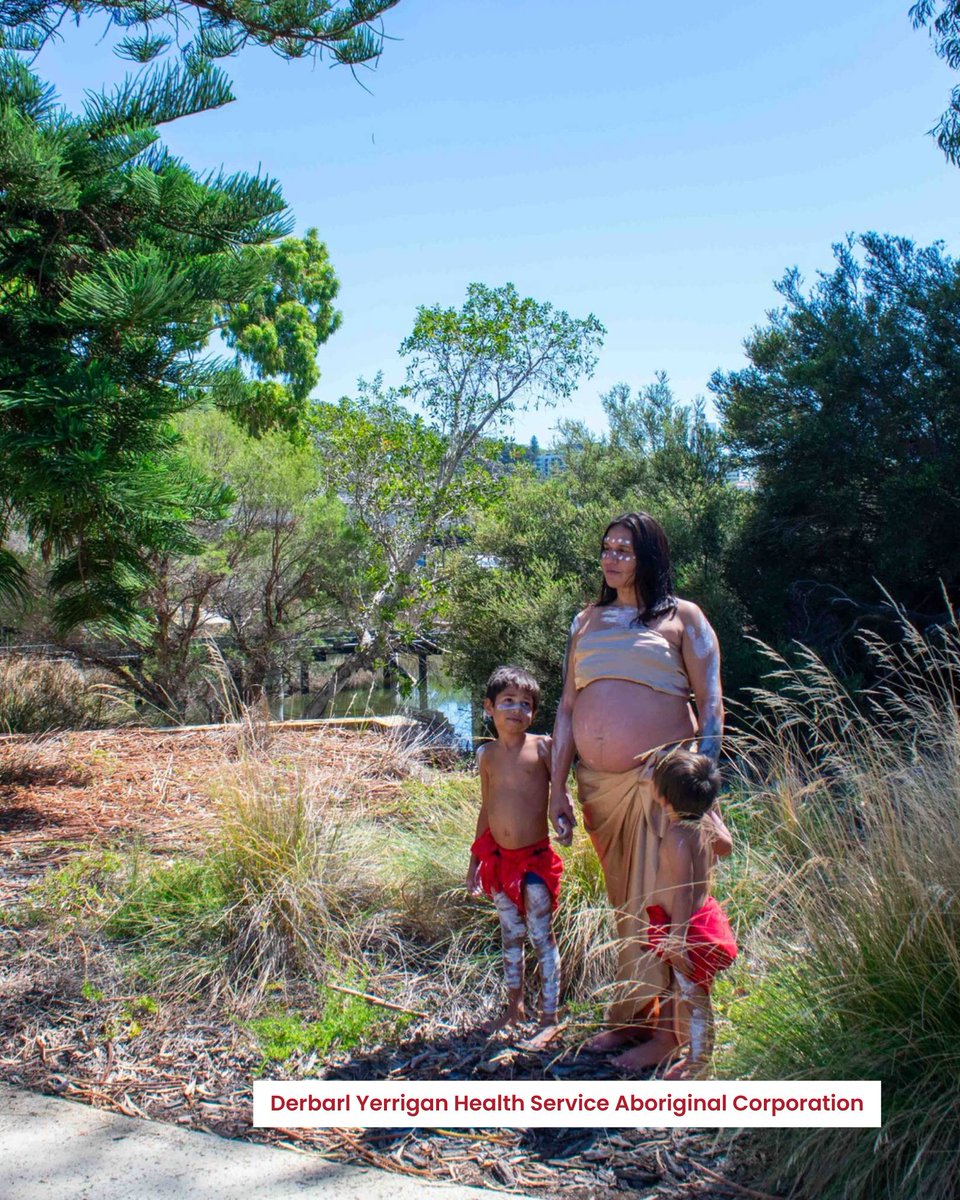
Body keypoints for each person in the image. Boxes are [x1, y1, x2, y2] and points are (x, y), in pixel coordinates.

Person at [549, 511, 732, 1070]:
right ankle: (634, 1017)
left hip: (662, 791)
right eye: (606, 548)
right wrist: (557, 789)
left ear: (648, 557)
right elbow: (567, 708)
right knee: (628, 906)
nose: (610, 558)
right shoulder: (586, 620)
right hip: (600, 789)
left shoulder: (684, 618)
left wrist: (697, 784)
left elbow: (712, 703)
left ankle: (678, 1036)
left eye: (623, 550)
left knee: (671, 906)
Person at [467, 665, 563, 1032]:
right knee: (511, 935)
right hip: (498, 860)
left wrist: (563, 818)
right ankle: (514, 1007)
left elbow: (561, 794)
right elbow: (486, 807)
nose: (517, 710)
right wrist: (475, 858)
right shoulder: (486, 755)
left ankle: (550, 1016)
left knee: (541, 935)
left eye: (526, 704)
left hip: (535, 859)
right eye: (508, 701)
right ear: (489, 707)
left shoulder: (542, 747)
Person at [645, 749, 737, 1079]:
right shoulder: (701, 825)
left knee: (695, 1000)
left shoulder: (677, 837)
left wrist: (676, 939)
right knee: (697, 997)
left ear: (662, 794)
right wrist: (711, 810)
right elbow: (726, 845)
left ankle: (699, 1066)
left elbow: (683, 890)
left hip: (688, 931)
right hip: (701, 920)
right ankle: (698, 1057)